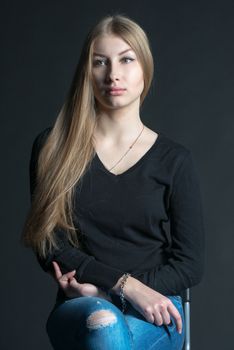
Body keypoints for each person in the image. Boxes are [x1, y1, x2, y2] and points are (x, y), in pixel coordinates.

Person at [21, 13, 205, 350]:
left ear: (144, 69)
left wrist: (119, 289)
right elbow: (49, 244)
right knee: (104, 325)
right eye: (100, 62)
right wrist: (120, 287)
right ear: (86, 73)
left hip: (156, 306)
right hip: (82, 304)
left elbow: (190, 264)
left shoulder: (174, 161)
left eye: (126, 59)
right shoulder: (52, 149)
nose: (113, 74)